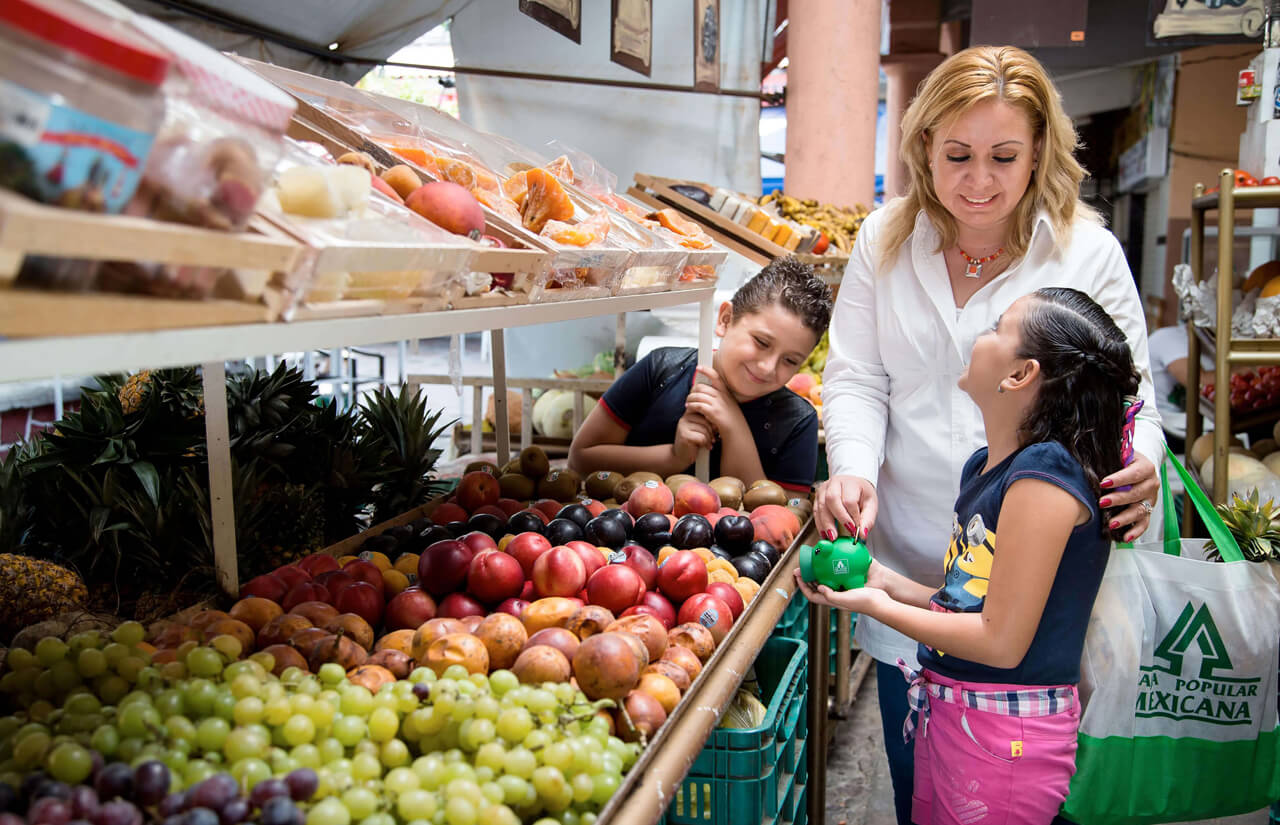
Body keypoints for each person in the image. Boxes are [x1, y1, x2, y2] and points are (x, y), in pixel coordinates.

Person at [817, 45, 1165, 825]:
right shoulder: (884, 242)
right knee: (921, 782)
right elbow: (855, 377)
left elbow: (1130, 397)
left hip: (1032, 607)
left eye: (1004, 156)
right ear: (922, 147)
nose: (979, 180)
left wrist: (1140, 462)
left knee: (1007, 787)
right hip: (910, 565)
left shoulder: (1085, 250)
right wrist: (852, 468)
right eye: (957, 155)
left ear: (1039, 148)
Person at [800, 287, 1141, 825]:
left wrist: (872, 606)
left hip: (1007, 736)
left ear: (1020, 375)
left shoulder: (1045, 480)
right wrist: (883, 581)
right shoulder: (987, 467)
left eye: (997, 328)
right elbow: (963, 604)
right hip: (956, 713)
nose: (979, 335)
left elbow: (1000, 642)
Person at [568, 256, 832, 491]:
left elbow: (782, 520)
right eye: (761, 343)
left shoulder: (798, 421)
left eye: (790, 360)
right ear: (725, 320)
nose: (768, 367)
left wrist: (734, 426)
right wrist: (674, 456)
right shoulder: (661, 369)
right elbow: (581, 459)